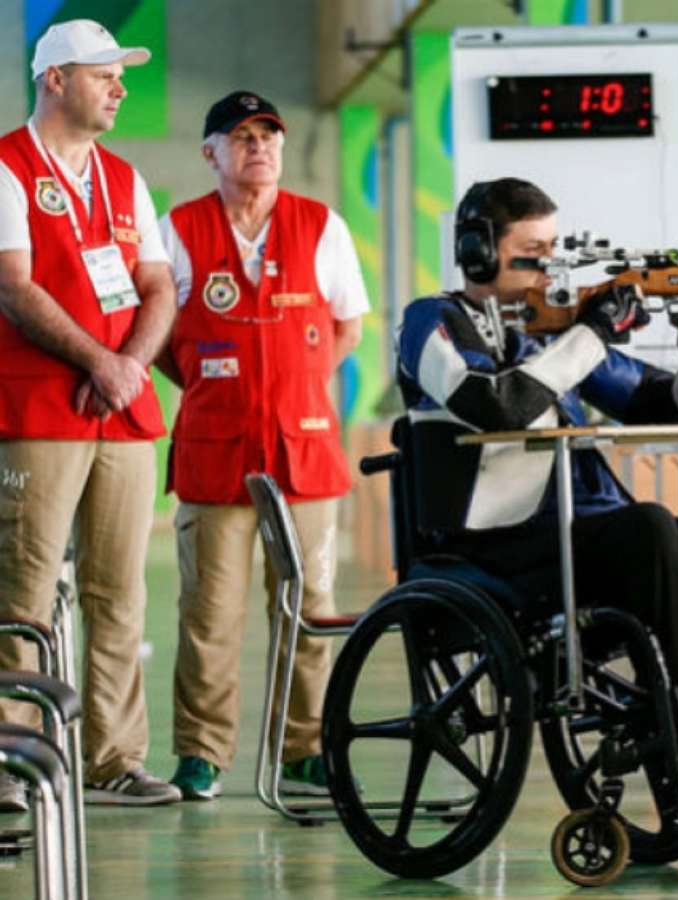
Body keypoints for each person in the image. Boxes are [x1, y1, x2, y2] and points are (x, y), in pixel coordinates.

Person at [396, 178, 678, 790]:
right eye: (532, 249)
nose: (548, 264)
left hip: (589, 539)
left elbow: (656, 402)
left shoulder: (543, 333)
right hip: (501, 550)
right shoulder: (430, 321)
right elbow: (496, 405)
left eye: (555, 247)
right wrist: (591, 334)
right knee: (647, 526)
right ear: (479, 251)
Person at [157, 91, 368, 800]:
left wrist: (292, 387)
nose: (259, 148)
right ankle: (201, 755)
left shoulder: (321, 226)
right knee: (209, 615)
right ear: (211, 152)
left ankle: (304, 750)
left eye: (268, 135)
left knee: (311, 610)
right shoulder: (178, 229)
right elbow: (157, 337)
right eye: (240, 136)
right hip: (216, 458)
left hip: (304, 457)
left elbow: (346, 327)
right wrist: (220, 390)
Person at [0, 19, 181, 807]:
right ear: (55, 80)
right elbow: (13, 286)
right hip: (39, 411)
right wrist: (98, 362)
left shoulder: (122, 177)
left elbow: (158, 286)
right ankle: (10, 764)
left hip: (120, 410)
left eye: (121, 74)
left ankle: (112, 760)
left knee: (120, 593)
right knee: (22, 592)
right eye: (105, 73)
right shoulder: (5, 169)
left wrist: (129, 366)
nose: (120, 86)